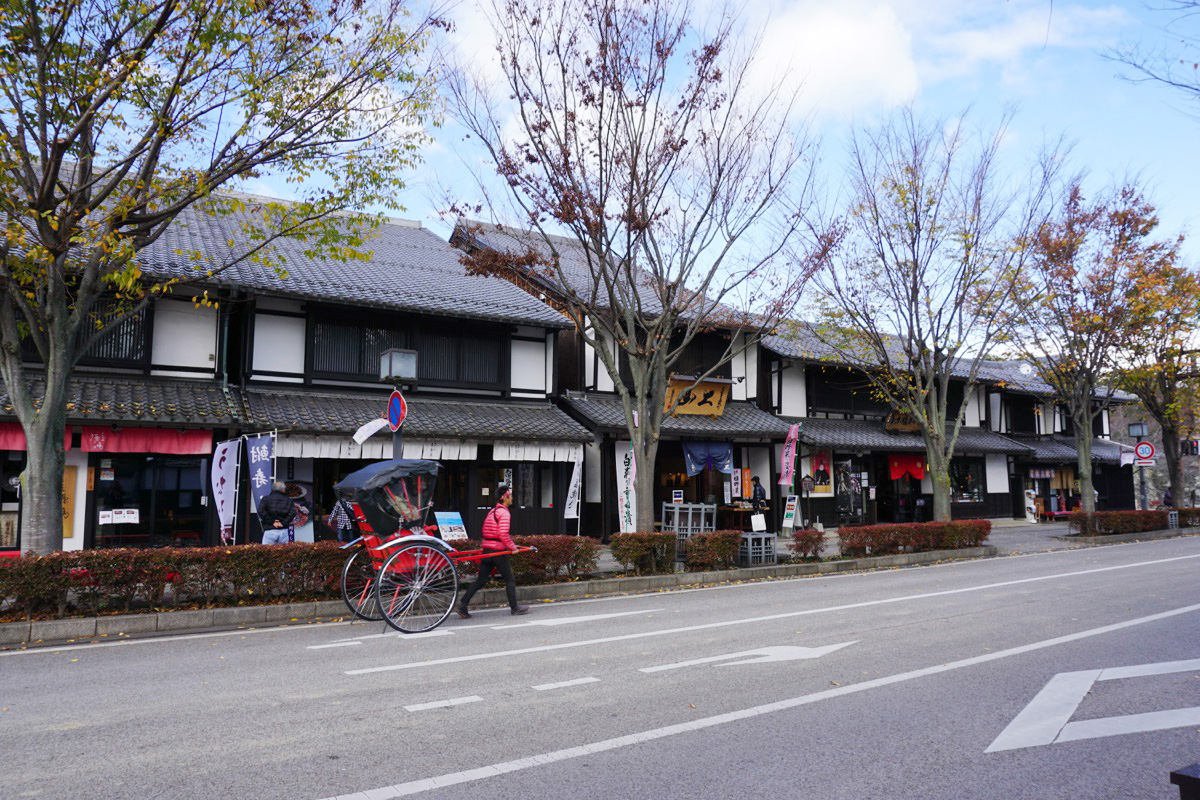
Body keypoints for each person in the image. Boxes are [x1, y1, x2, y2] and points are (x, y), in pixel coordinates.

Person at [457, 483, 529, 618]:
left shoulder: (492, 511)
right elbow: (503, 534)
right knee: (510, 579)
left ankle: (463, 606)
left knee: (481, 580)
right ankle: (514, 607)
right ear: (504, 497)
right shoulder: (504, 513)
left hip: (487, 550)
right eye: (511, 496)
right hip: (498, 552)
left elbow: (485, 530)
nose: (512, 498)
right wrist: (513, 548)